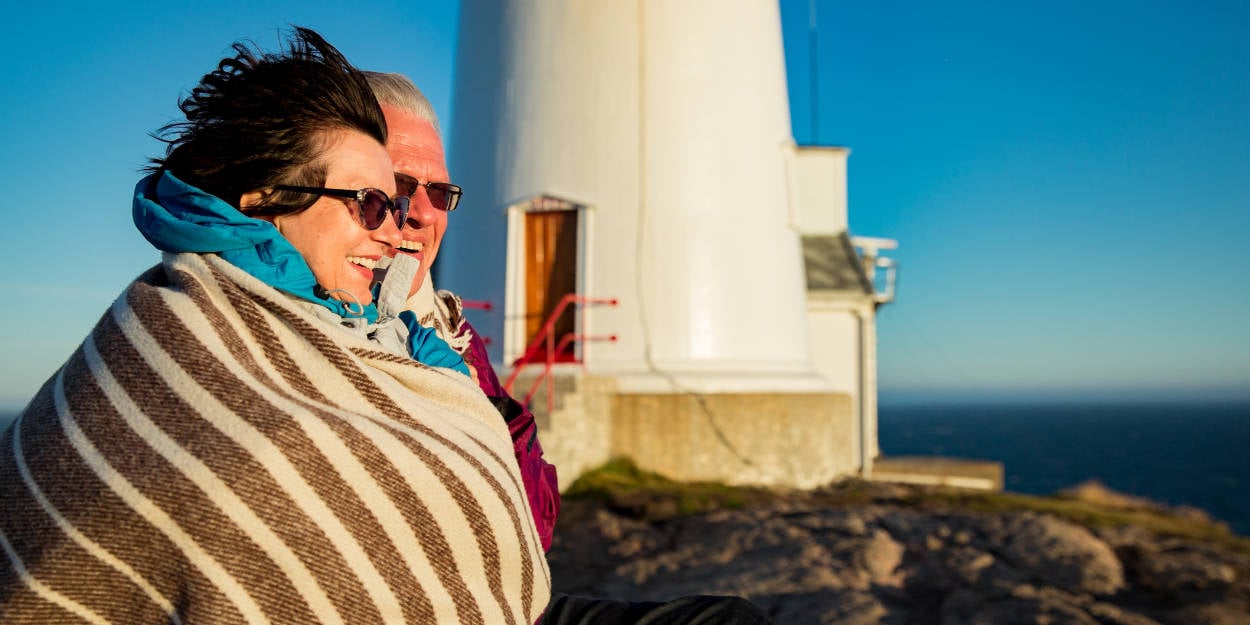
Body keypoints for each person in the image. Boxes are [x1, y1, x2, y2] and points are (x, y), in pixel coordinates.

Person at [0, 28, 548, 625]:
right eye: (375, 200)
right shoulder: (184, 328)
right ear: (266, 198)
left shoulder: (422, 336)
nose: (400, 225)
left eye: (435, 194)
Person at [365, 72, 774, 625]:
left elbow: (535, 511)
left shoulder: (451, 334)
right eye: (395, 183)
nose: (418, 212)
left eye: (438, 192)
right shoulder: (307, 325)